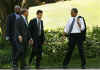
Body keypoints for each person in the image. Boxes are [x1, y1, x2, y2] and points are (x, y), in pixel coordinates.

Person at [6, 5, 21, 70]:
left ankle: (14, 62)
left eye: (19, 9)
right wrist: (7, 35)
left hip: (20, 36)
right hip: (13, 36)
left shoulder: (21, 16)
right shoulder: (10, 16)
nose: (18, 10)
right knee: (14, 50)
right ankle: (15, 64)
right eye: (17, 9)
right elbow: (8, 26)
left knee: (19, 49)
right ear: (14, 10)